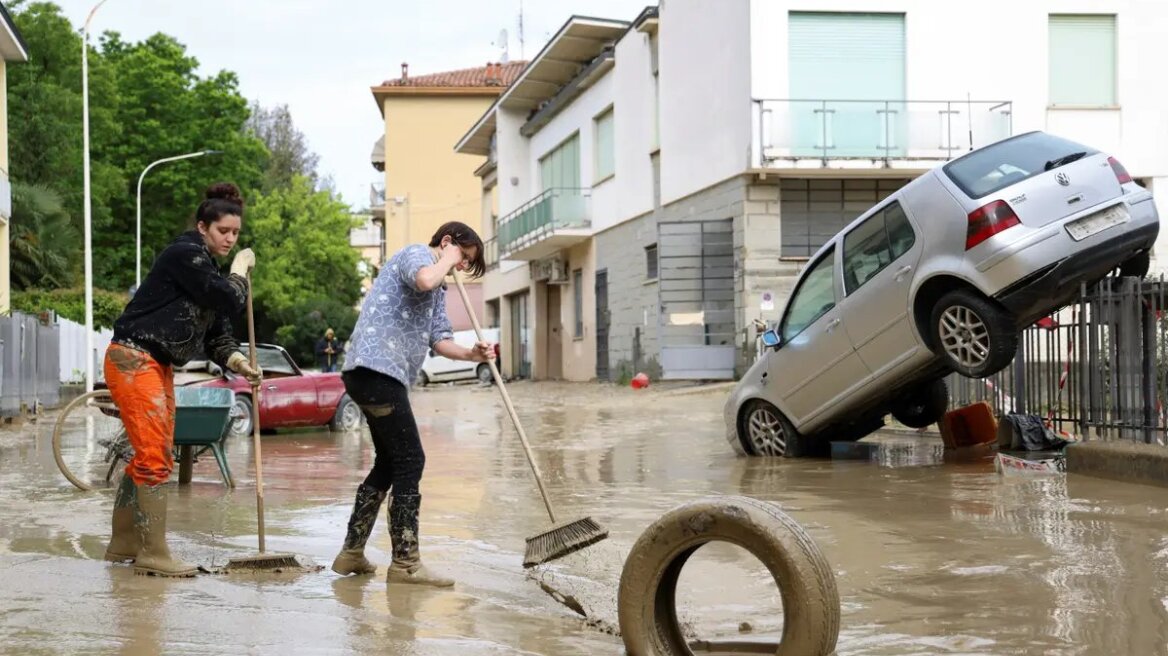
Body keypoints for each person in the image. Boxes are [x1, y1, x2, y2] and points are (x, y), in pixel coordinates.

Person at [102, 182, 263, 577]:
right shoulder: (185, 254)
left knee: (150, 455)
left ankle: (124, 544)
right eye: (223, 231)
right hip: (133, 358)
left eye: (236, 233)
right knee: (156, 457)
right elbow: (228, 297)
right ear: (202, 226)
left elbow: (218, 335)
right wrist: (240, 272)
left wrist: (240, 362)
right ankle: (154, 553)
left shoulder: (207, 271)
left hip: (155, 365)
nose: (230, 238)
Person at [332, 221, 493, 586]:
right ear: (448, 242)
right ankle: (406, 563)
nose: (463, 266)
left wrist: (472, 354)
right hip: (375, 371)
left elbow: (440, 340)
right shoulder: (418, 254)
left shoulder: (440, 285)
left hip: (374, 377)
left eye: (467, 263)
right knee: (411, 460)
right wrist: (447, 258)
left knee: (389, 462)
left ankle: (351, 553)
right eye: (463, 257)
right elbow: (422, 279)